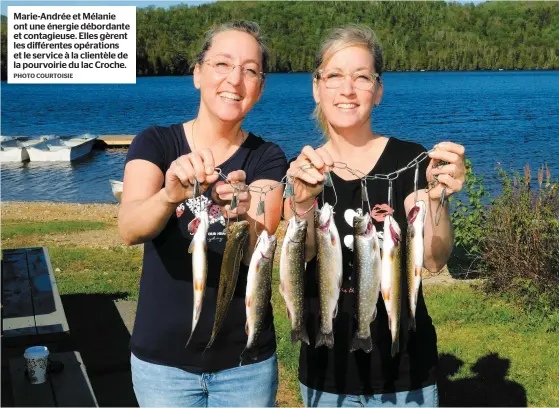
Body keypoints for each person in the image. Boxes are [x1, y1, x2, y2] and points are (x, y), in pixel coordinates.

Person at [285, 25, 467, 407]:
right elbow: (298, 260)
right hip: (326, 371)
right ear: (317, 87)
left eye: (362, 77)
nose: (347, 89)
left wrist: (436, 200)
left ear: (379, 90)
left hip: (405, 373)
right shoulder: (304, 170)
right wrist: (301, 206)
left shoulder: (410, 160)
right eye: (334, 76)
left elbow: (433, 260)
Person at [118, 20, 287, 407]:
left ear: (260, 88)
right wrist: (168, 196)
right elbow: (128, 228)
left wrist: (243, 212)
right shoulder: (156, 143)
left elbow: (260, 244)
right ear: (197, 73)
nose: (235, 80)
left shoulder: (268, 157)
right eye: (222, 64)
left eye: (250, 70)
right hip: (161, 364)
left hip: (246, 365)